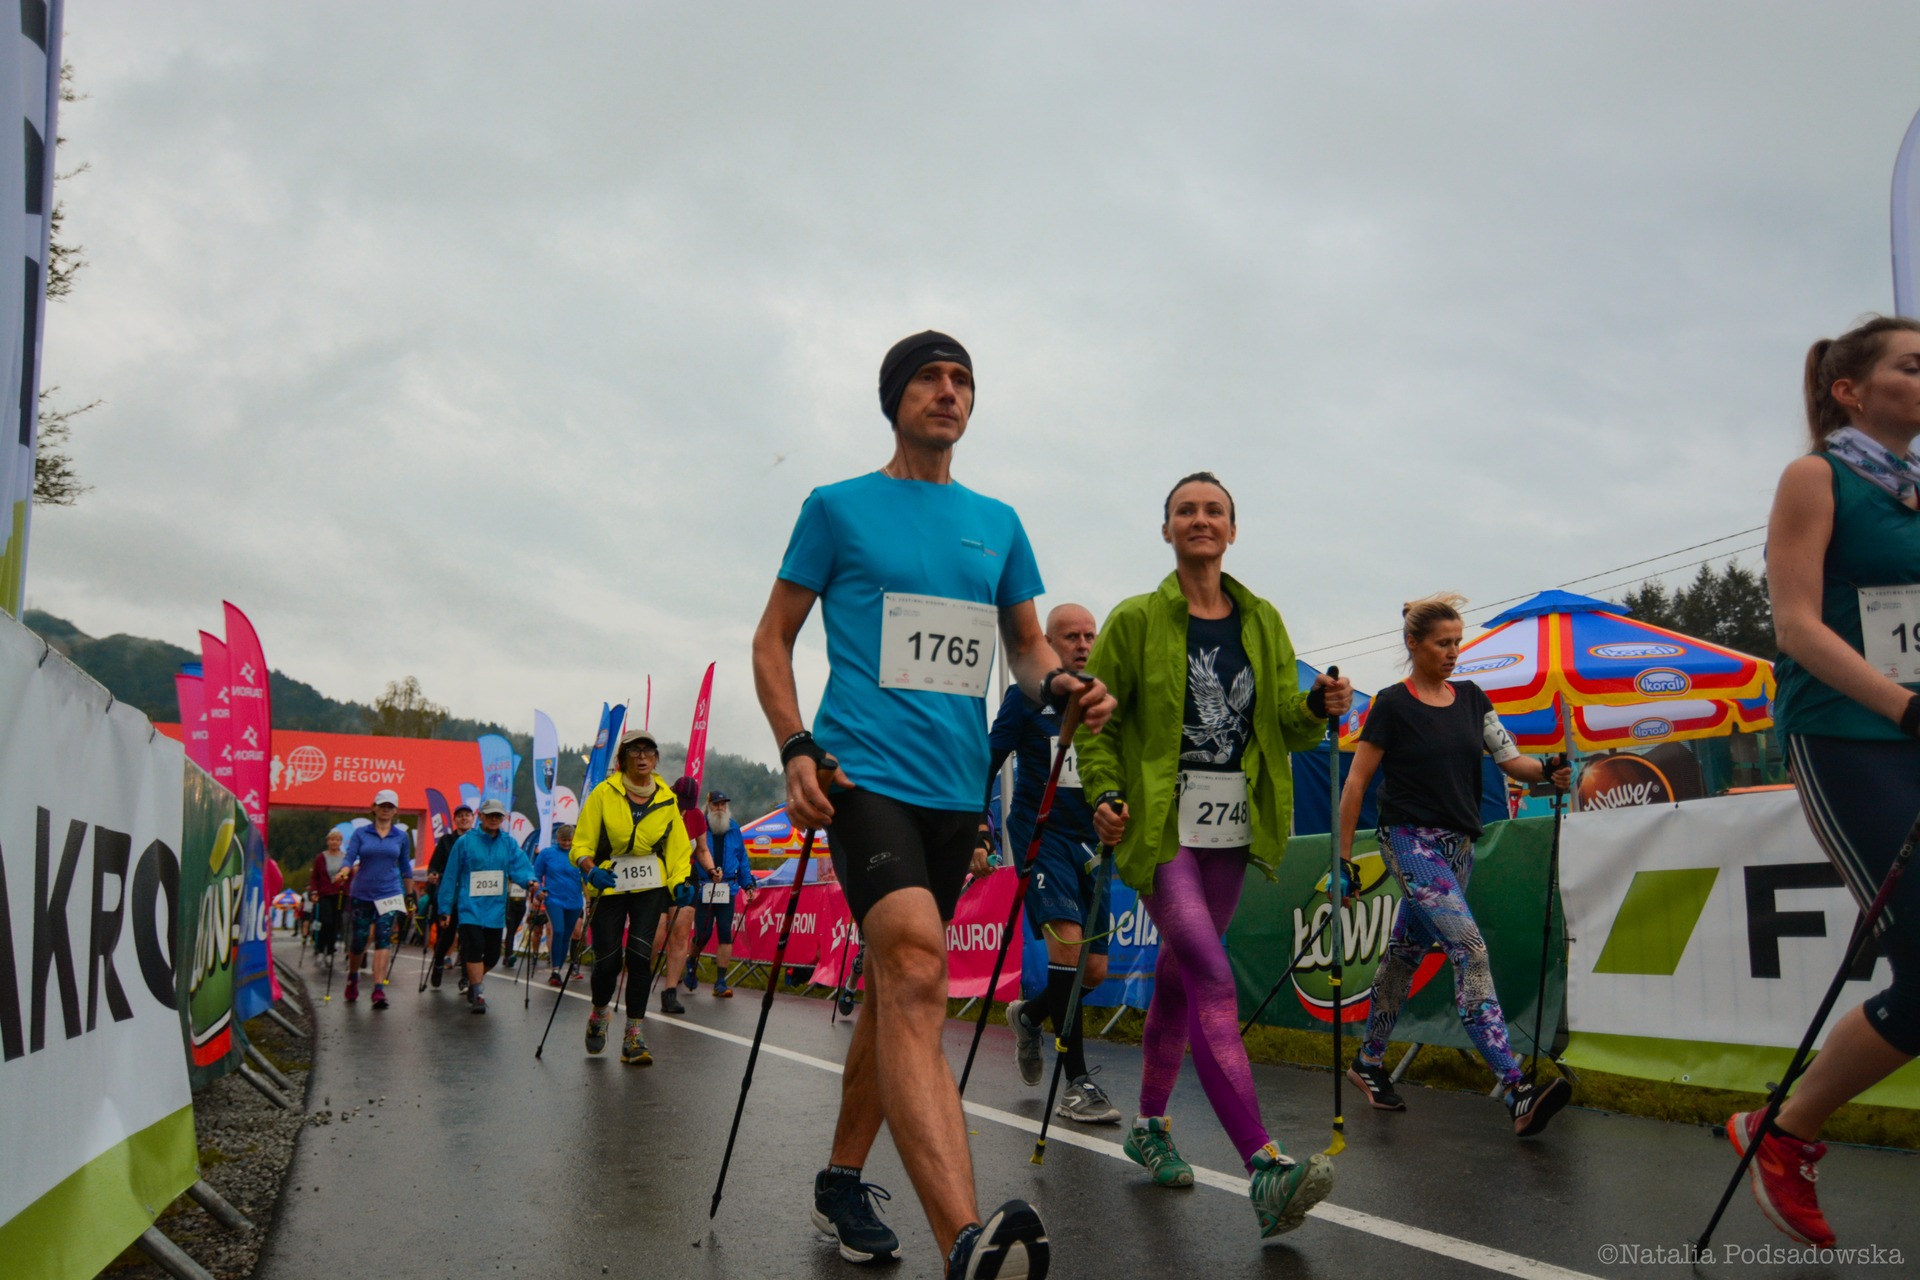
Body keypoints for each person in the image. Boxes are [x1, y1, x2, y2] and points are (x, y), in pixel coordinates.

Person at [753, 330, 1113, 1279]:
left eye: (962, 380)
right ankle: (966, 1240)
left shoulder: (997, 522)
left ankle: (840, 1181)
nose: (948, 391)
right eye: (928, 378)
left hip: (958, 794)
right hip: (863, 779)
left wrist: (1060, 685)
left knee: (893, 991)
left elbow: (1025, 647)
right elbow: (772, 637)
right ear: (895, 398)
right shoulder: (836, 507)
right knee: (916, 969)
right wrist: (794, 745)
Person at [1076, 471, 1350, 1240]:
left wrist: (1315, 705)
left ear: (1232, 529)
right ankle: (1265, 1165)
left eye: (1214, 510)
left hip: (1234, 829)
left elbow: (1286, 725)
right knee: (1211, 974)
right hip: (1162, 827)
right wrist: (1104, 793)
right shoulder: (1135, 620)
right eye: (1185, 510)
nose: (1200, 520)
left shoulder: (1263, 621)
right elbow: (1098, 724)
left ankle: (1149, 1128)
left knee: (1178, 976)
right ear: (1166, 529)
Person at [1739, 315, 1920, 1248]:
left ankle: (1781, 1129)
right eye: (1913, 366)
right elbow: (1796, 626)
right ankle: (1786, 1131)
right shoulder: (1817, 477)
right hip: (1851, 736)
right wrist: (1904, 707)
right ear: (1850, 390)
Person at [1336, 593, 1573, 1135]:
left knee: (1404, 955)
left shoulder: (1472, 698)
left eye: (1457, 642)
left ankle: (1369, 1062)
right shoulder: (1391, 705)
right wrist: (1343, 861)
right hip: (1408, 842)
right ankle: (1515, 1088)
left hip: (1458, 848)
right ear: (1413, 644)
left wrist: (1548, 767)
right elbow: (1356, 783)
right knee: (1470, 950)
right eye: (1442, 643)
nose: (1453, 652)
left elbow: (1512, 760)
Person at [988, 602, 1119, 1124]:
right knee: (1068, 942)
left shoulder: (1104, 699)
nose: (1083, 645)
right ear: (1047, 643)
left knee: (1094, 970)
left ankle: (1030, 1014)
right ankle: (1077, 1084)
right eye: (1071, 636)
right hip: (1040, 834)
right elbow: (989, 759)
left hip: (1089, 840)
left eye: (1090, 635)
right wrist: (977, 828)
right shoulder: (1025, 696)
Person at [572, 727, 697, 1065]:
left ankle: (634, 1035)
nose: (642, 757)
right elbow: (581, 843)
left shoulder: (667, 800)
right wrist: (589, 869)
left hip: (649, 886)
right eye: (634, 751)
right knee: (608, 961)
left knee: (641, 957)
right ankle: (599, 1013)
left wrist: (680, 882)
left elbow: (678, 851)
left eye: (648, 751)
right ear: (623, 758)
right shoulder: (603, 793)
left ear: (656, 759)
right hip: (609, 883)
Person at [438, 799, 537, 1014]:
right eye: (490, 815)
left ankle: (472, 980)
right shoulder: (464, 842)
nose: (494, 819)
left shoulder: (508, 843)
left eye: (498, 816)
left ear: (503, 818)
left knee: (492, 956)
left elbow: (520, 867)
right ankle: (478, 992)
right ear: (480, 816)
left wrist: (530, 881)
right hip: (470, 908)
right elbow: (450, 876)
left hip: (495, 909)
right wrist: (444, 909)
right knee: (474, 947)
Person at [341, 790, 415, 1011]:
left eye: (390, 806)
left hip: (390, 893)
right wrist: (344, 870)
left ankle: (378, 989)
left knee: (384, 938)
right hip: (362, 893)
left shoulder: (401, 837)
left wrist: (410, 895)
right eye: (382, 805)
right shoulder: (361, 833)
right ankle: (353, 976)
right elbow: (349, 857)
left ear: (396, 810)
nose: (385, 809)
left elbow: (405, 867)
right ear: (373, 807)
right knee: (360, 940)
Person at [652, 776, 718, 1014]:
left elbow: (701, 849)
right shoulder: (659, 808)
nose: (684, 807)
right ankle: (641, 978)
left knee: (680, 932)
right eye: (681, 802)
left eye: (688, 804)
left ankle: (670, 992)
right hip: (658, 873)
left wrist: (711, 869)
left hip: (686, 874)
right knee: (657, 932)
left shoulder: (695, 816)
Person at [687, 790, 756, 997]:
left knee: (726, 933)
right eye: (716, 804)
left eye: (723, 804)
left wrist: (748, 885)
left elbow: (742, 860)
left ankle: (720, 982)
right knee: (703, 934)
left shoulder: (734, 828)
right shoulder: (701, 827)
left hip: (727, 889)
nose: (720, 808)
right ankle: (691, 962)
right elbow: (693, 855)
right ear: (708, 806)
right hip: (704, 888)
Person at [425, 804, 476, 989]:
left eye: (467, 815)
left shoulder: (478, 840)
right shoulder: (446, 841)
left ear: (473, 819)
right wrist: (433, 874)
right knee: (446, 935)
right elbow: (434, 865)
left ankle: (466, 976)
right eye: (460, 816)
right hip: (450, 894)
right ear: (454, 820)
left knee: (468, 936)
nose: (464, 818)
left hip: (471, 894)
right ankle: (438, 962)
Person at [533, 823, 586, 986]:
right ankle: (555, 970)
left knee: (566, 936)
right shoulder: (547, 854)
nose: (567, 844)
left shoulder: (579, 854)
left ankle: (558, 969)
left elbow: (587, 877)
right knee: (558, 931)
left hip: (574, 901)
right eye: (563, 840)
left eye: (570, 840)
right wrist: (538, 891)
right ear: (557, 838)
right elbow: (536, 875)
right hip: (554, 899)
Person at [310, 830, 352, 959]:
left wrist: (346, 885)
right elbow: (315, 877)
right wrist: (314, 892)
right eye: (332, 840)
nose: (334, 842)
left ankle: (330, 949)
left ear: (340, 842)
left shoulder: (345, 858)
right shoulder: (321, 857)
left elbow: (350, 876)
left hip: (340, 894)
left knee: (336, 922)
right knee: (326, 921)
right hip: (325, 893)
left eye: (337, 840)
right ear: (328, 841)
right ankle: (320, 947)